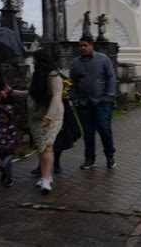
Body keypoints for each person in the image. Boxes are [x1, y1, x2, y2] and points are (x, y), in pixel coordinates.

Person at [9, 50, 64, 194]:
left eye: (35, 60)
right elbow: (30, 94)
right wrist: (12, 92)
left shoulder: (55, 77)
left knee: (47, 147)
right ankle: (46, 176)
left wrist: (49, 117)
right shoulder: (37, 76)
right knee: (41, 147)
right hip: (35, 118)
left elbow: (56, 99)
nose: (33, 63)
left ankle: (46, 179)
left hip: (52, 118)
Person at [70, 35, 117, 170]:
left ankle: (110, 156)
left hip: (102, 101)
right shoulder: (75, 64)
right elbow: (73, 83)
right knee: (88, 133)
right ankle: (89, 158)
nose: (82, 48)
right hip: (84, 103)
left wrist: (108, 96)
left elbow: (111, 77)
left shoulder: (103, 59)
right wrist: (75, 99)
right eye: (80, 46)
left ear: (92, 45)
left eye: (85, 45)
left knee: (104, 129)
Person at [0, 105, 19, 187]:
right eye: (0, 118)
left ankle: (9, 180)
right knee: (0, 165)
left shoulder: (11, 128)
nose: (1, 120)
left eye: (4, 118)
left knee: (6, 164)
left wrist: (9, 146)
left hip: (9, 151)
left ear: (9, 118)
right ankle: (4, 174)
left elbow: (14, 138)